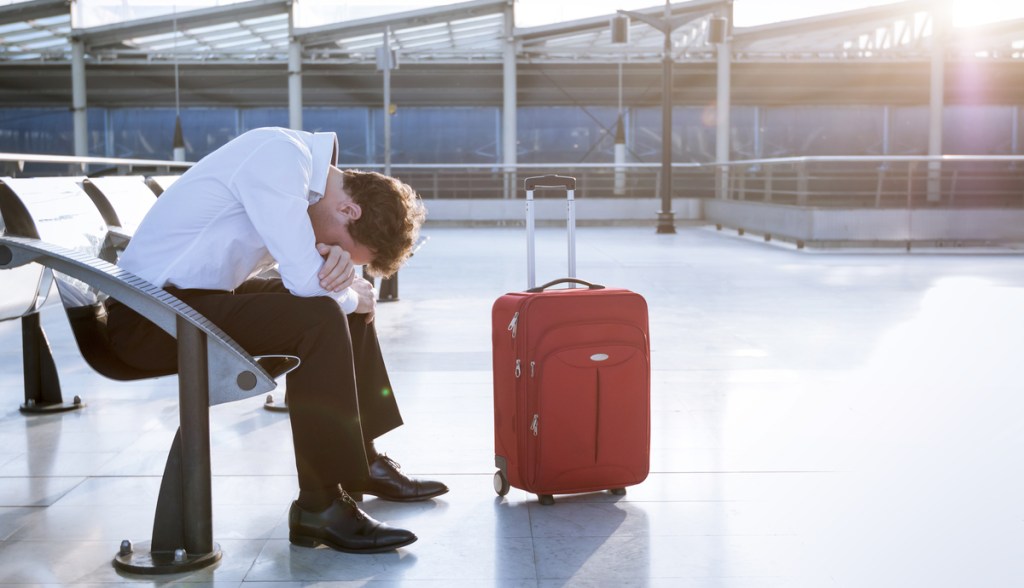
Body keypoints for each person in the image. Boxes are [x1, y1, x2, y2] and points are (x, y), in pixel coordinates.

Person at [105, 126, 446, 554]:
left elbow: (308, 280)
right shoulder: (280, 159)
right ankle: (319, 507)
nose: (325, 247)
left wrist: (350, 292)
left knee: (342, 305)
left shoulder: (302, 174)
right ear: (349, 211)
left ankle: (362, 460)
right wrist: (348, 292)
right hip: (147, 318)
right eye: (336, 245)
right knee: (323, 313)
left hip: (188, 302)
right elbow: (307, 282)